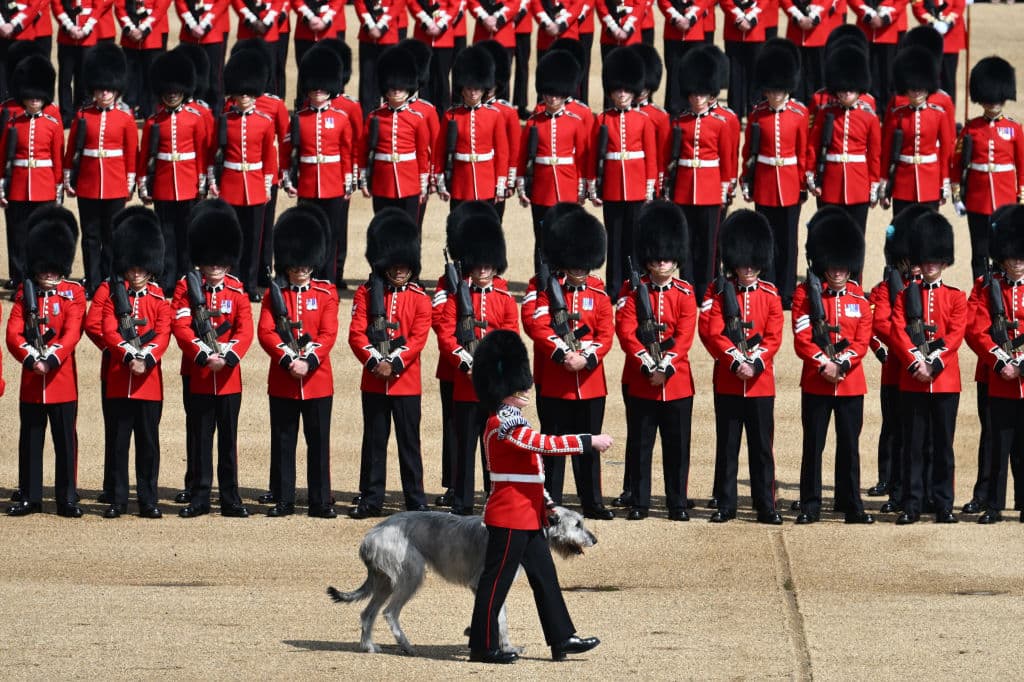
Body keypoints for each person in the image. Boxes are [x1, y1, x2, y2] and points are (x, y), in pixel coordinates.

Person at [467, 329, 606, 665]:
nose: (527, 388)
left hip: (529, 515)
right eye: (521, 384)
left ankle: (561, 638)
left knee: (545, 578)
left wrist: (548, 503)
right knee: (495, 582)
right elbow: (543, 445)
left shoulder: (515, 419)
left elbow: (532, 471)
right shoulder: (502, 422)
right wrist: (588, 441)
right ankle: (483, 646)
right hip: (509, 515)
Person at [528, 210, 616, 520]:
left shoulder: (598, 293)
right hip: (555, 380)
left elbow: (606, 334)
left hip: (590, 382)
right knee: (553, 446)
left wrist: (586, 358)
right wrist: (564, 354)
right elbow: (536, 324)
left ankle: (592, 501)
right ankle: (551, 503)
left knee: (588, 445)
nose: (579, 268)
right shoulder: (545, 287)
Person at [698, 210, 784, 524]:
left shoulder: (770, 295)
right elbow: (712, 330)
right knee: (728, 447)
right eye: (743, 263)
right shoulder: (720, 292)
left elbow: (774, 336)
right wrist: (735, 360)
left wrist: (755, 363)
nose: (748, 269)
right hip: (729, 380)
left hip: (760, 383)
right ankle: (726, 503)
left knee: (762, 449)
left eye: (753, 263)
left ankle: (766, 504)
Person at [614, 201, 696, 521]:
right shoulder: (634, 291)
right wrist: (647, 364)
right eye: (658, 258)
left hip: (676, 383)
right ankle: (640, 501)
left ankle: (677, 503)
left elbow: (685, 336)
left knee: (677, 448)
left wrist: (666, 366)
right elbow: (626, 330)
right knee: (640, 445)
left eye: (668, 258)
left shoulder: (685, 292)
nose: (662, 263)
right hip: (642, 379)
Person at [791, 208, 874, 524]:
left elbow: (862, 341)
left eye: (842, 265)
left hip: (850, 383)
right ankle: (810, 504)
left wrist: (842, 364)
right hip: (817, 380)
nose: (838, 271)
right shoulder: (805, 295)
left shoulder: (859, 299)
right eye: (832, 264)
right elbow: (802, 337)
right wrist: (824, 363)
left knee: (849, 446)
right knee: (813, 446)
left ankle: (851, 504)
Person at [171, 200, 253, 518]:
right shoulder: (186, 287)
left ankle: (230, 497)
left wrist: (227, 356)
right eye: (210, 261)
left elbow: (245, 330)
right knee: (200, 437)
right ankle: (200, 495)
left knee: (228, 440)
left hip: (228, 376)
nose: (215, 267)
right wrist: (205, 354)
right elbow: (181, 325)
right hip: (200, 373)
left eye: (220, 262)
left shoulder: (237, 290)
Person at [348, 208, 432, 518]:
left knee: (409, 444)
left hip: (405, 382)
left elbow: (418, 339)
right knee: (373, 443)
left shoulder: (420, 297)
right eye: (394, 265)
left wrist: (393, 364)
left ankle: (415, 499)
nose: (399, 271)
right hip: (374, 380)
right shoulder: (366, 293)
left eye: (404, 265)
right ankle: (371, 498)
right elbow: (356, 334)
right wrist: (375, 362)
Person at [257, 205, 339, 518]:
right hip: (284, 379)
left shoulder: (326, 293)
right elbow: (266, 331)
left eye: (305, 263)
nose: (301, 269)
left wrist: (308, 361)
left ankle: (320, 501)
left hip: (317, 380)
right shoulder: (274, 295)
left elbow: (328, 333)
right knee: (284, 441)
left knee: (318, 443)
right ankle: (284, 499)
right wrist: (289, 358)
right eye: (295, 264)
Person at [5, 207, 85, 517]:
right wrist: (31, 357)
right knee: (30, 440)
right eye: (44, 270)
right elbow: (13, 333)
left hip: (61, 380)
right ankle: (30, 496)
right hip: (32, 380)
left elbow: (72, 332)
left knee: (65, 442)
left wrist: (49, 359)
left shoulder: (73, 294)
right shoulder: (26, 295)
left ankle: (67, 497)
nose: (49, 275)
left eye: (53, 270)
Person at [437, 212, 519, 514]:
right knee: (464, 446)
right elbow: (446, 333)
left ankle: (494, 497)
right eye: (478, 265)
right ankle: (461, 502)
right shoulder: (456, 296)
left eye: (488, 265)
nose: (483, 270)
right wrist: (466, 363)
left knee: (494, 444)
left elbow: (510, 337)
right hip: (465, 382)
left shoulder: (505, 298)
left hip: (494, 386)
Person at [890, 211, 967, 524]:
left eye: (936, 260)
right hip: (913, 381)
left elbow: (956, 334)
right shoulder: (905, 296)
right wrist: (915, 362)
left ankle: (943, 503)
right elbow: (897, 330)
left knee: (943, 446)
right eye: (927, 259)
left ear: (944, 262)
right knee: (914, 446)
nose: (931, 265)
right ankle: (912, 503)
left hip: (945, 381)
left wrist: (933, 364)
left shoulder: (956, 297)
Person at [98, 206, 171, 519]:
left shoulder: (159, 300)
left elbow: (163, 335)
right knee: (118, 444)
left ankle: (148, 500)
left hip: (148, 383)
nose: (137, 272)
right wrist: (129, 355)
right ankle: (117, 499)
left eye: (142, 267)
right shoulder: (115, 298)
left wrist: (145, 358)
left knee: (148, 445)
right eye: (132, 267)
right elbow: (108, 329)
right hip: (119, 379)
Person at [65, 43, 138, 299]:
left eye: (108, 89)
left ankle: (109, 281)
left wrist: (130, 182)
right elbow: (72, 149)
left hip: (115, 184)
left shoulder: (125, 118)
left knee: (111, 236)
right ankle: (92, 281)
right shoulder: (83, 115)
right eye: (100, 89)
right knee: (90, 237)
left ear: (116, 89)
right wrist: (68, 176)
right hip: (88, 183)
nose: (104, 93)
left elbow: (131, 153)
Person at [966, 205, 1024, 524]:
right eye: (1012, 256)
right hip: (995, 373)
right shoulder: (987, 285)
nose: (1017, 261)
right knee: (994, 438)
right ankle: (989, 498)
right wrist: (1001, 361)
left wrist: (1021, 364)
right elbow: (975, 328)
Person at [667, 43, 737, 301]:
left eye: (702, 94)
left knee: (709, 244)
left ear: (711, 94)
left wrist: (726, 187)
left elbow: (728, 158)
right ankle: (687, 288)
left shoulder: (722, 121)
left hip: (710, 188)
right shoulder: (680, 120)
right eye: (693, 94)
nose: (697, 99)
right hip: (684, 188)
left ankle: (707, 290)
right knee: (686, 241)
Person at [742, 39, 808, 309]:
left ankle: (788, 289)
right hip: (765, 183)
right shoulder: (757, 114)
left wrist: (803, 183)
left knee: (789, 240)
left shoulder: (799, 114)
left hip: (790, 183)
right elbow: (749, 151)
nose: (774, 95)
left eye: (779, 90)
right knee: (767, 238)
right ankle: (768, 287)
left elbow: (803, 153)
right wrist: (746, 180)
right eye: (770, 90)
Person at [209, 47, 278, 298]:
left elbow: (269, 156)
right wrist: (212, 180)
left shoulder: (265, 121)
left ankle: (250, 285)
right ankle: (234, 283)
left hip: (256, 185)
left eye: (249, 93)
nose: (245, 97)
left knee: (253, 240)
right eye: (241, 93)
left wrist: (267, 184)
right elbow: (214, 153)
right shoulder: (225, 120)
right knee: (233, 238)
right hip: (231, 184)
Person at [138, 48, 209, 296]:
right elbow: (145, 156)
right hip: (164, 184)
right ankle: (168, 278)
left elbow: (201, 152)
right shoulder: (153, 121)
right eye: (168, 92)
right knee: (166, 234)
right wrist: (143, 183)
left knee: (187, 234)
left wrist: (203, 181)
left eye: (176, 91)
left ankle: (188, 277)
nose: (172, 95)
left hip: (189, 184)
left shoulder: (195, 118)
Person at [282, 46, 354, 283]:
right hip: (308, 184)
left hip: (333, 184)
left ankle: (329, 279)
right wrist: (288, 178)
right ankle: (310, 278)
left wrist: (348, 180)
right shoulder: (299, 119)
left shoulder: (340, 118)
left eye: (322, 89)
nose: (318, 93)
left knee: (332, 234)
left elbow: (346, 152)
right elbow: (289, 152)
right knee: (309, 233)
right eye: (314, 89)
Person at [592, 47, 656, 298]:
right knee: (615, 240)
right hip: (612, 186)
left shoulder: (643, 120)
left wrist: (650, 186)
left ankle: (634, 285)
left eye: (627, 90)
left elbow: (650, 156)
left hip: (637, 186)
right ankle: (614, 286)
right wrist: (593, 185)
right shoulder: (603, 119)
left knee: (634, 240)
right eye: (618, 90)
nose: (622, 94)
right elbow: (594, 155)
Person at [517, 50, 590, 273]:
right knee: (541, 238)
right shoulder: (533, 122)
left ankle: (564, 278)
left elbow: (582, 157)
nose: (552, 98)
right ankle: (542, 280)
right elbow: (522, 156)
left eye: (557, 94)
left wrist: (582, 186)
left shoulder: (575, 122)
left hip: (567, 186)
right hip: (542, 188)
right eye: (549, 93)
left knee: (567, 237)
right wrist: (520, 184)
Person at [952, 57, 1024, 281]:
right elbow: (957, 162)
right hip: (978, 200)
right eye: (989, 98)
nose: (993, 103)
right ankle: (980, 294)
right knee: (980, 253)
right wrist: (956, 193)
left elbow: (1021, 165)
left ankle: (1003, 294)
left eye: (997, 98)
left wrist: (1021, 193)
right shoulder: (971, 129)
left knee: (1004, 252)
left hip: (1005, 200)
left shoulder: (1014, 129)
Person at [805, 43, 881, 239]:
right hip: (830, 181)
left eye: (851, 89)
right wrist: (811, 173)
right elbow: (813, 145)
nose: (846, 93)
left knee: (856, 236)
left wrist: (874, 183)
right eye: (842, 89)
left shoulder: (869, 117)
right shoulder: (825, 113)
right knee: (828, 236)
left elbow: (874, 155)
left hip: (858, 183)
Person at [0, 56, 62, 292]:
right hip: (17, 185)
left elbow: (57, 158)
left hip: (44, 185)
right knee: (17, 236)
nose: (35, 99)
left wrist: (58, 186)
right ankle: (19, 281)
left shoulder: (52, 123)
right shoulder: (13, 124)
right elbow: (3, 157)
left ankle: (40, 280)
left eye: (38, 96)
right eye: (30, 96)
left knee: (42, 236)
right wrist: (2, 185)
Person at [879, 45, 954, 219]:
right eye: (912, 88)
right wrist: (884, 181)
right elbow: (887, 151)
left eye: (921, 87)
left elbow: (945, 151)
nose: (917, 91)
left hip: (930, 182)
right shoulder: (897, 115)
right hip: (902, 182)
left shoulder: (938, 115)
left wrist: (944, 181)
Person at [358, 45, 431, 222]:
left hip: (410, 183)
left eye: (401, 87)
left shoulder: (417, 118)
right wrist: (364, 179)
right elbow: (363, 150)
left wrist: (423, 183)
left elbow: (422, 153)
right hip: (382, 182)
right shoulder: (375, 117)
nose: (397, 91)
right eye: (392, 88)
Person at [434, 44, 509, 210]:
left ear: (484, 89)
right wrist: (439, 179)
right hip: (460, 183)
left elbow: (502, 153)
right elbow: (440, 149)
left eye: (477, 88)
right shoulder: (451, 115)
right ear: (462, 89)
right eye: (469, 88)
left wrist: (501, 182)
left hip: (486, 182)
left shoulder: (494, 115)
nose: (473, 93)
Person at [53, 0, 107, 127]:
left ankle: (83, 113)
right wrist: (69, 27)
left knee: (84, 78)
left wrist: (86, 29)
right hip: (67, 37)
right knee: (65, 79)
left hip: (87, 37)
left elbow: (98, 7)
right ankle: (66, 115)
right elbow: (56, 4)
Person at [115, 0, 170, 120]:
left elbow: (161, 6)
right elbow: (120, 6)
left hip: (154, 32)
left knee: (153, 76)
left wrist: (143, 29)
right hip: (131, 34)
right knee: (130, 76)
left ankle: (152, 112)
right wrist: (129, 28)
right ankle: (129, 110)